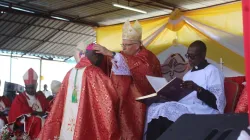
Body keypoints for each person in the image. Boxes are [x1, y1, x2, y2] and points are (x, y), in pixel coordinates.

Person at [94, 20, 162, 140]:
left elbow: (141, 68)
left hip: (140, 101)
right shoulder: (123, 55)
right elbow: (113, 64)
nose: (123, 48)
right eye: (122, 45)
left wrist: (110, 53)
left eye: (127, 45)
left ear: (137, 45)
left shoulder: (147, 56)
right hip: (122, 100)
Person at [145, 40, 226, 139]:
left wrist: (197, 88)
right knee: (154, 107)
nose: (189, 60)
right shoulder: (188, 74)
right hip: (187, 107)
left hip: (203, 111)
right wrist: (167, 96)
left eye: (193, 56)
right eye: (188, 55)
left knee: (165, 110)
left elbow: (217, 103)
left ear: (203, 54)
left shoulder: (212, 71)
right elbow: (182, 96)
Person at [38, 43, 120, 140]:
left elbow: (59, 103)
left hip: (67, 127)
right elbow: (110, 99)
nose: (100, 63)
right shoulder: (95, 73)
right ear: (96, 56)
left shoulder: (69, 73)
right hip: (86, 125)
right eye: (101, 59)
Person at [7, 68, 49, 139]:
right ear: (25, 86)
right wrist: (35, 114)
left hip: (42, 120)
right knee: (37, 120)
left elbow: (48, 110)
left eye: (32, 87)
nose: (30, 90)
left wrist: (42, 114)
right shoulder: (19, 98)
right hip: (25, 124)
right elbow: (18, 115)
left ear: (36, 85)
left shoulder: (40, 96)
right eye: (28, 88)